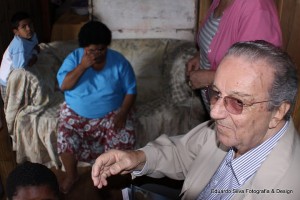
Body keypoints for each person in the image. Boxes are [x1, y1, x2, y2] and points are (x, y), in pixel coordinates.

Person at [91, 40, 300, 200]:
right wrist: (137, 158)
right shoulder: (237, 131)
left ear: (278, 112)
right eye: (216, 93)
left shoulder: (284, 190)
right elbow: (182, 152)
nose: (215, 112)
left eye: (237, 102)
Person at [56, 20, 137, 193]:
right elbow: (64, 85)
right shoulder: (74, 58)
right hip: (75, 113)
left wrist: (122, 113)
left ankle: (108, 178)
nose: (96, 54)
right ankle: (72, 175)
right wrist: (83, 66)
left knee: (122, 137)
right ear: (84, 48)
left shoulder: (119, 62)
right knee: (64, 136)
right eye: (91, 50)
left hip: (111, 113)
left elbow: (131, 90)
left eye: (101, 49)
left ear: (107, 47)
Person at [186, 0, 282, 111]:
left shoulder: (255, 6)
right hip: (218, 107)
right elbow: (218, 40)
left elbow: (258, 74)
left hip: (239, 116)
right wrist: (202, 55)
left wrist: (209, 78)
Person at [0, 11, 39, 101]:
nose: (29, 28)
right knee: (13, 108)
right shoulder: (19, 45)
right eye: (24, 27)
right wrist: (33, 59)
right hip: (8, 81)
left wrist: (34, 54)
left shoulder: (32, 35)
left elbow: (36, 47)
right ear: (16, 32)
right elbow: (20, 71)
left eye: (30, 24)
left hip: (17, 71)